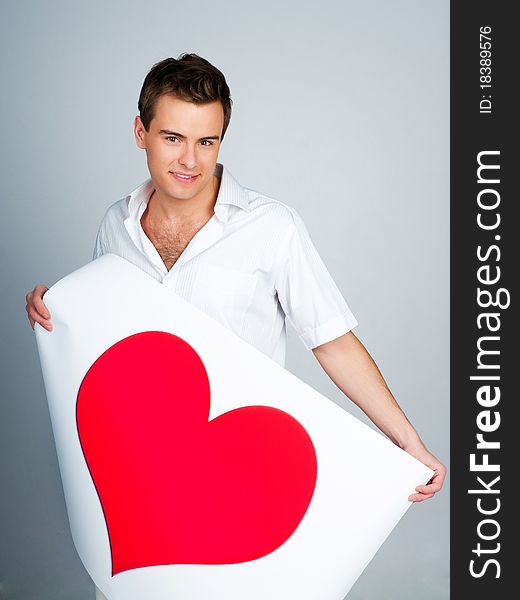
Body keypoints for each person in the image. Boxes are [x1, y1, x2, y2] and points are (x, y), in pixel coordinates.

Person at [25, 53, 446, 600]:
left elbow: (333, 342)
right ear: (140, 132)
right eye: (173, 137)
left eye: (208, 141)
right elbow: (105, 334)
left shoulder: (272, 227)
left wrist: (406, 441)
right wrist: (55, 304)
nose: (190, 160)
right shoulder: (117, 223)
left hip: (237, 483)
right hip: (138, 483)